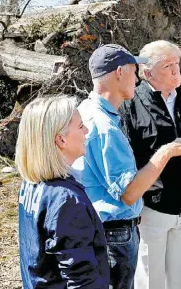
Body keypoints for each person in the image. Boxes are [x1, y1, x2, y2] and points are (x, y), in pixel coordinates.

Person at [73, 44, 181, 289]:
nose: (138, 76)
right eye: (135, 70)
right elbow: (130, 193)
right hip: (116, 231)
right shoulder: (105, 127)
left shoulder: (92, 113)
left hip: (112, 228)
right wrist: (167, 151)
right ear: (120, 72)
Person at [118, 40, 181, 289]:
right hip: (151, 207)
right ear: (147, 72)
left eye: (177, 64)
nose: (176, 71)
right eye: (167, 66)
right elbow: (127, 158)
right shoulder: (130, 107)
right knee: (150, 279)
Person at [17, 96, 110, 288]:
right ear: (61, 140)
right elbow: (81, 279)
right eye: (80, 126)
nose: (86, 130)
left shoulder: (31, 183)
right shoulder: (66, 200)